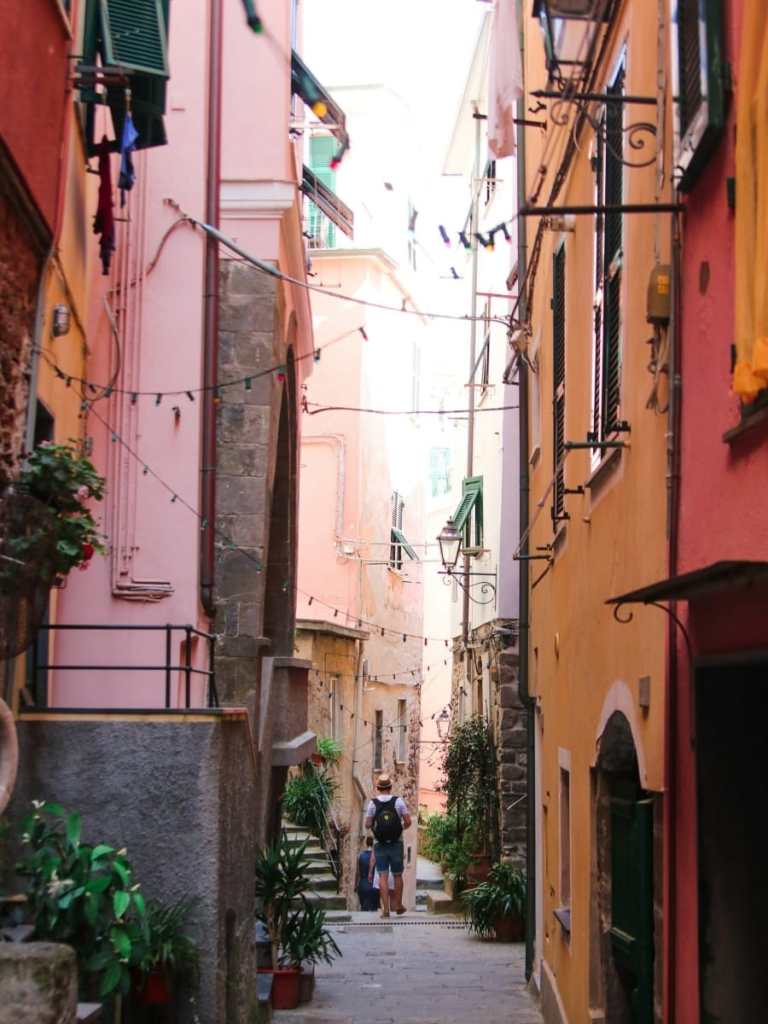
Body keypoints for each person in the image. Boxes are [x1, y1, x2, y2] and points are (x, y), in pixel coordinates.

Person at [364, 772, 411, 918]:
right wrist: (399, 829)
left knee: (383, 876)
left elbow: (367, 824)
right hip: (397, 843)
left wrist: (376, 829)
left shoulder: (373, 803)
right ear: (390, 787)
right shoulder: (398, 801)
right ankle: (398, 905)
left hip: (380, 844)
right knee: (397, 875)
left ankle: (385, 910)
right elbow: (408, 821)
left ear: (378, 788)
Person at [355, 837, 379, 912]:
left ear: (366, 843)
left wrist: (355, 885)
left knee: (364, 908)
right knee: (374, 908)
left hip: (363, 885)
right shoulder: (378, 856)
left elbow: (358, 873)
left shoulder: (360, 856)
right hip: (374, 885)